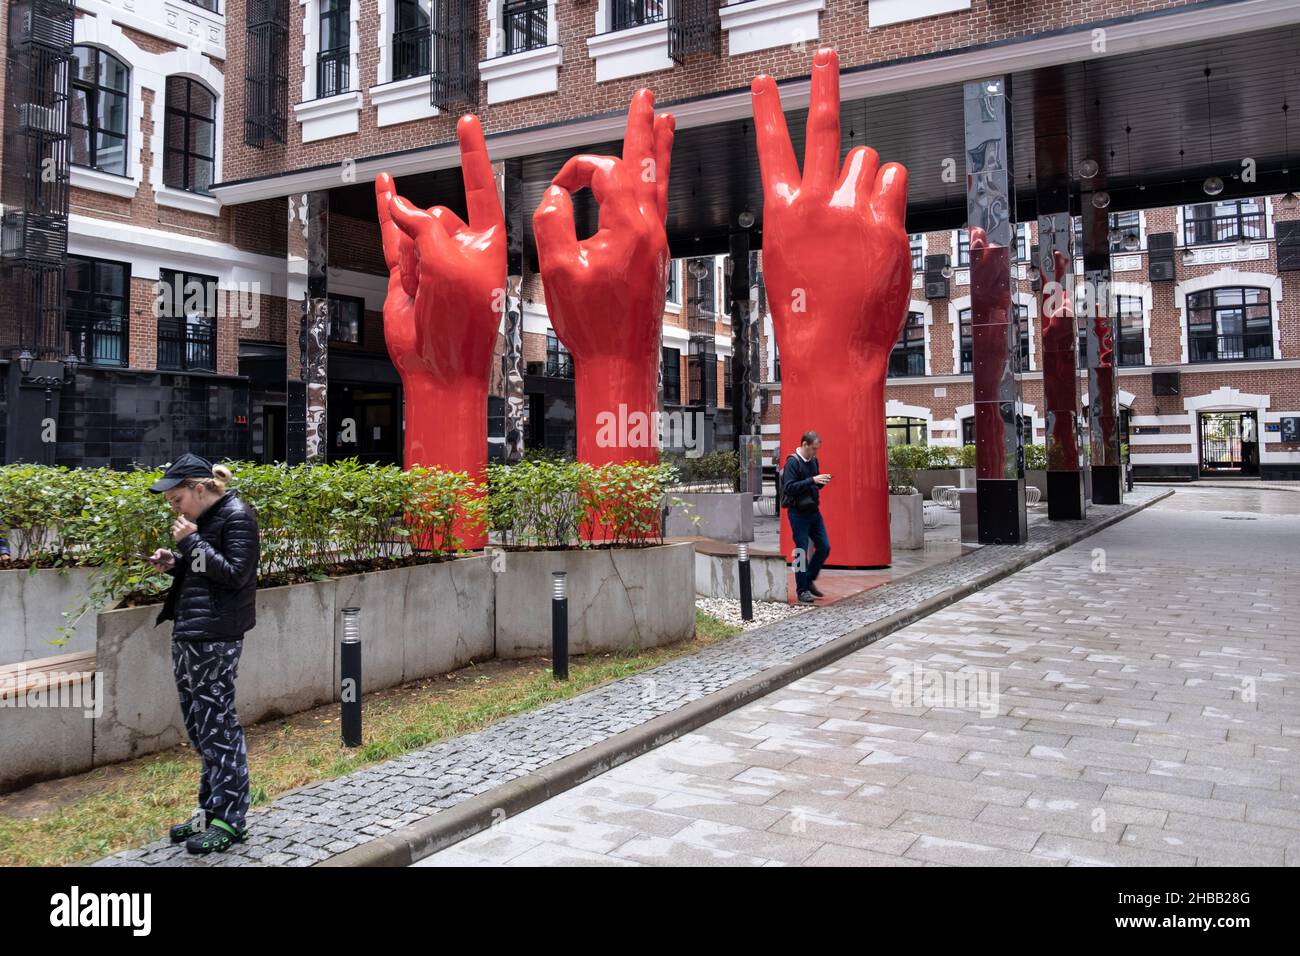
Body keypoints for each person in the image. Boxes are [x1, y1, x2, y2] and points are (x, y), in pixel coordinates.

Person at [145, 453, 259, 855]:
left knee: (218, 728)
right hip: (192, 632)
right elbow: (203, 568)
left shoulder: (236, 516)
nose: (173, 507)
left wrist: (190, 542)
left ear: (198, 488)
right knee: (200, 728)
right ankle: (210, 811)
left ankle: (231, 818)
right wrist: (176, 562)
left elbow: (234, 574)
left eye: (177, 499)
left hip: (216, 635)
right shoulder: (207, 520)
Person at [782, 431, 832, 604]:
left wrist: (820, 482)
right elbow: (789, 487)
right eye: (813, 449)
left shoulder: (813, 461)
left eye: (817, 450)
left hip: (813, 512)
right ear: (804, 445)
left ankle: (808, 579)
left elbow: (812, 486)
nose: (815, 453)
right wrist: (812, 480)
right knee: (801, 551)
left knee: (824, 547)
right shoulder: (792, 463)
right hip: (797, 514)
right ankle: (801, 590)